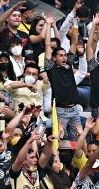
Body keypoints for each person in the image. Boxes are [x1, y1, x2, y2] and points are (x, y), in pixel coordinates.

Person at [44, 12, 81, 140]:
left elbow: (74, 43)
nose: (64, 57)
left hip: (74, 110)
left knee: (76, 140)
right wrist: (48, 25)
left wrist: (75, 24)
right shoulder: (51, 68)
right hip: (60, 111)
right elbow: (47, 45)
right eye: (60, 55)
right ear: (54, 58)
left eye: (65, 55)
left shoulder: (68, 64)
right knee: (59, 140)